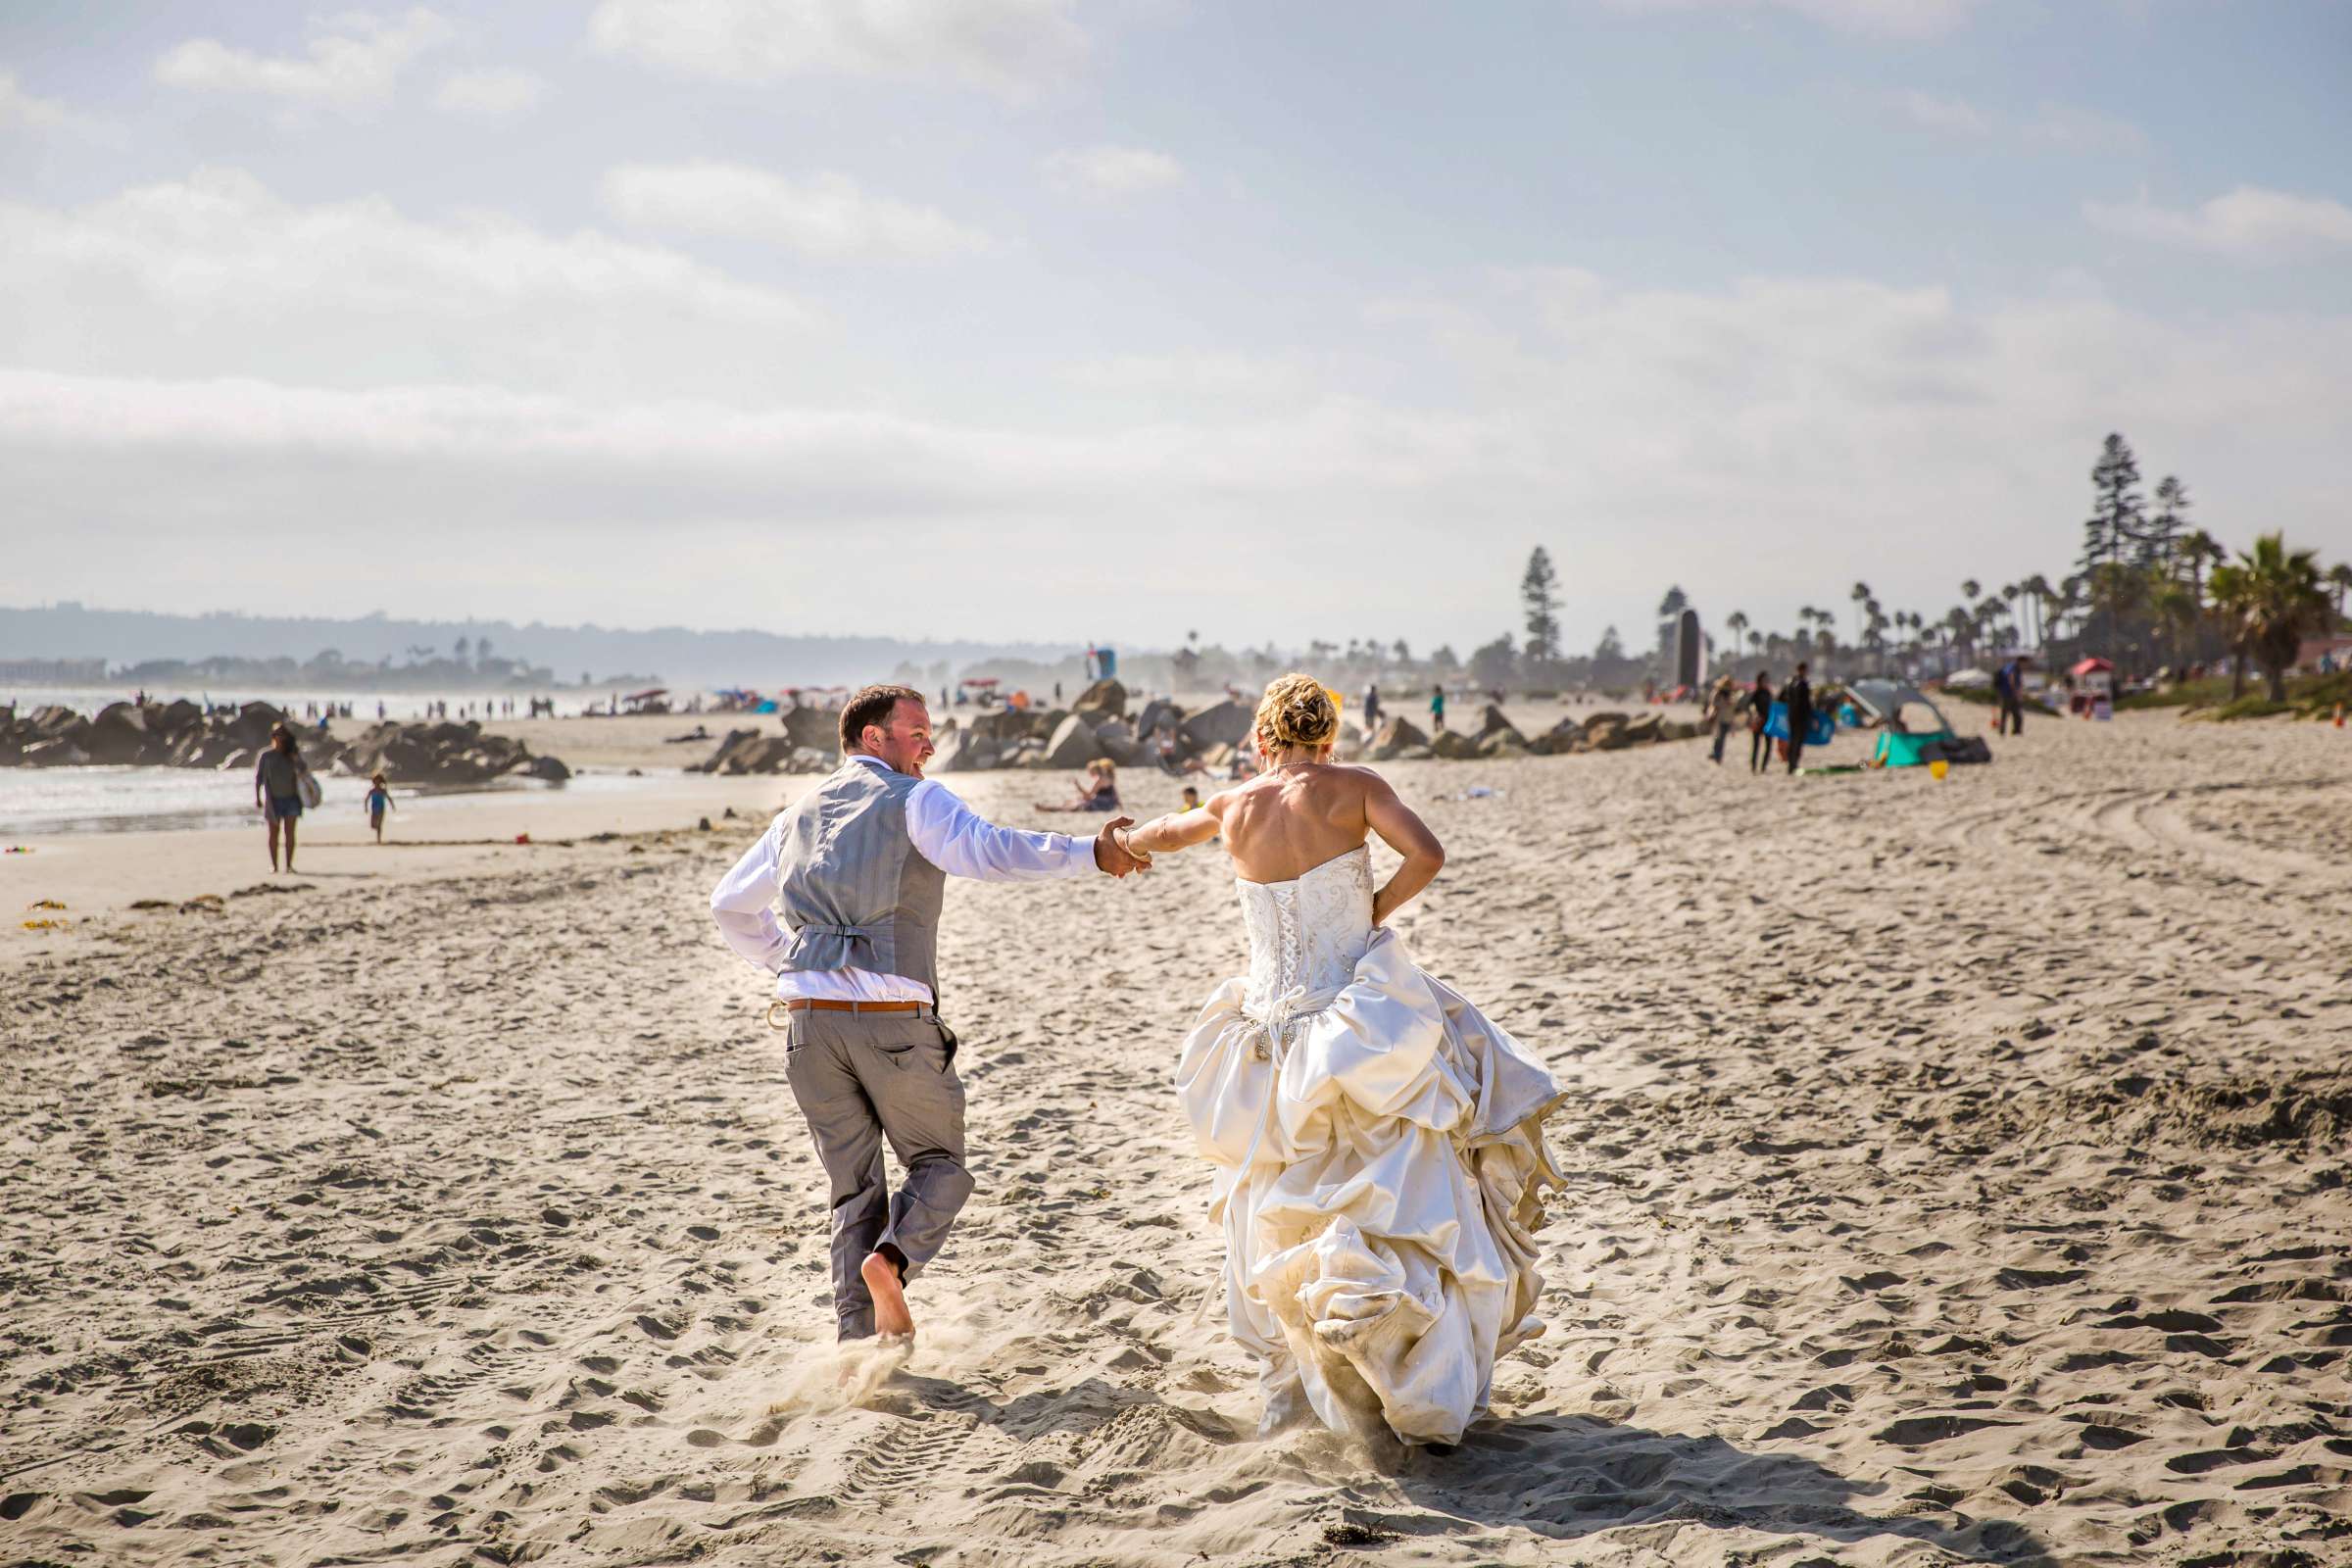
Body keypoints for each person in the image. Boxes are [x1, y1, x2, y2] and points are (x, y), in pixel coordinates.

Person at [1113, 675, 1565, 1448]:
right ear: (1330, 738)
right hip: (1359, 1018)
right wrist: (1375, 911)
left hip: (1272, 1030)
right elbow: (1428, 853)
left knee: (1284, 1189)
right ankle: (1407, 1367)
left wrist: (1123, 840)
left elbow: (1162, 831)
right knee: (1401, 1184)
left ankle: (1308, 1380)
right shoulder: (1357, 786)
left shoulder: (1233, 804)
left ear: (1262, 738)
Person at [710, 685, 1147, 1348]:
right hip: (890, 1019)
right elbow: (990, 850)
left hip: (807, 1024)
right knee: (940, 1165)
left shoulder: (793, 816)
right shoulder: (916, 798)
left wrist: (788, 964)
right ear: (872, 738)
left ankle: (861, 1348)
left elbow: (729, 906)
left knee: (852, 1193)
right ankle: (891, 1261)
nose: (930, 746)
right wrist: (1089, 852)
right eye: (916, 733)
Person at [253, 722, 312, 873]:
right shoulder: (266, 755)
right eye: (277, 734)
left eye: (282, 734)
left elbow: (304, 771)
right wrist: (257, 797)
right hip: (273, 801)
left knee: (290, 833)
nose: (280, 737)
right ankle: (274, 865)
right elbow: (258, 778)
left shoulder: (292, 754)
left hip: (292, 799)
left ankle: (289, 865)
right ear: (273, 736)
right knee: (273, 834)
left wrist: (295, 759)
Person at [1037, 759, 1120, 813]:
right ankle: (1049, 808)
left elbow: (1088, 796)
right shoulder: (1108, 777)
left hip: (1103, 804)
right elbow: (1114, 794)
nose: (1089, 773)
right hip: (1109, 804)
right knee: (1073, 802)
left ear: (1095, 770)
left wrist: (1077, 785)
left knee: (1075, 805)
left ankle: (1049, 809)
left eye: (1090, 771)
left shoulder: (1100, 779)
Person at [1783, 662, 1814, 775]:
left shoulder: (1790, 683)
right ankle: (1793, 765)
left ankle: (1791, 765)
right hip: (1800, 717)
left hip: (1791, 715)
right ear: (1803, 670)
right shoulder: (1802, 684)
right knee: (1797, 741)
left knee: (1792, 740)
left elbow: (1782, 698)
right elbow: (1806, 703)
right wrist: (1812, 716)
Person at [1705, 675, 1738, 764]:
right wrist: (1723, 703)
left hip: (1727, 718)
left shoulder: (1731, 694)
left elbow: (1734, 706)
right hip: (1718, 718)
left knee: (1721, 738)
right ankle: (1717, 754)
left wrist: (1730, 703)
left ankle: (1718, 755)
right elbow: (1713, 703)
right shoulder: (1718, 693)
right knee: (1718, 737)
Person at [1747, 670, 1775, 774]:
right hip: (1758, 721)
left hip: (1768, 721)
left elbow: (1773, 706)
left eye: (1767, 680)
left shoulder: (1768, 693)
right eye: (1764, 680)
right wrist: (1754, 714)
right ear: (1759, 681)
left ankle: (1763, 767)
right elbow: (1750, 706)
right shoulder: (1756, 693)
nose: (1766, 682)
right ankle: (1754, 766)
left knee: (1768, 745)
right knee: (1756, 746)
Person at [1994, 655, 2030, 736]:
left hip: (2006, 693)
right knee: (2013, 713)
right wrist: (2016, 693)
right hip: (2009, 694)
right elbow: (2011, 679)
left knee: (2009, 713)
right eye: (2026, 663)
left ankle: (2008, 730)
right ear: (2022, 661)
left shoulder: (2010, 666)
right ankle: (2012, 731)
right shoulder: (2014, 667)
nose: (2026, 665)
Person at [365, 772, 394, 844]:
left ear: (380, 781)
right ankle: (378, 837)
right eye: (376, 781)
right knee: (373, 825)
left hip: (381, 809)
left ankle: (378, 840)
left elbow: (389, 798)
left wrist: (392, 805)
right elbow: (366, 799)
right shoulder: (372, 791)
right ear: (374, 781)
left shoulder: (383, 790)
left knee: (379, 825)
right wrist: (366, 808)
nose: (377, 782)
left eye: (378, 781)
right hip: (374, 810)